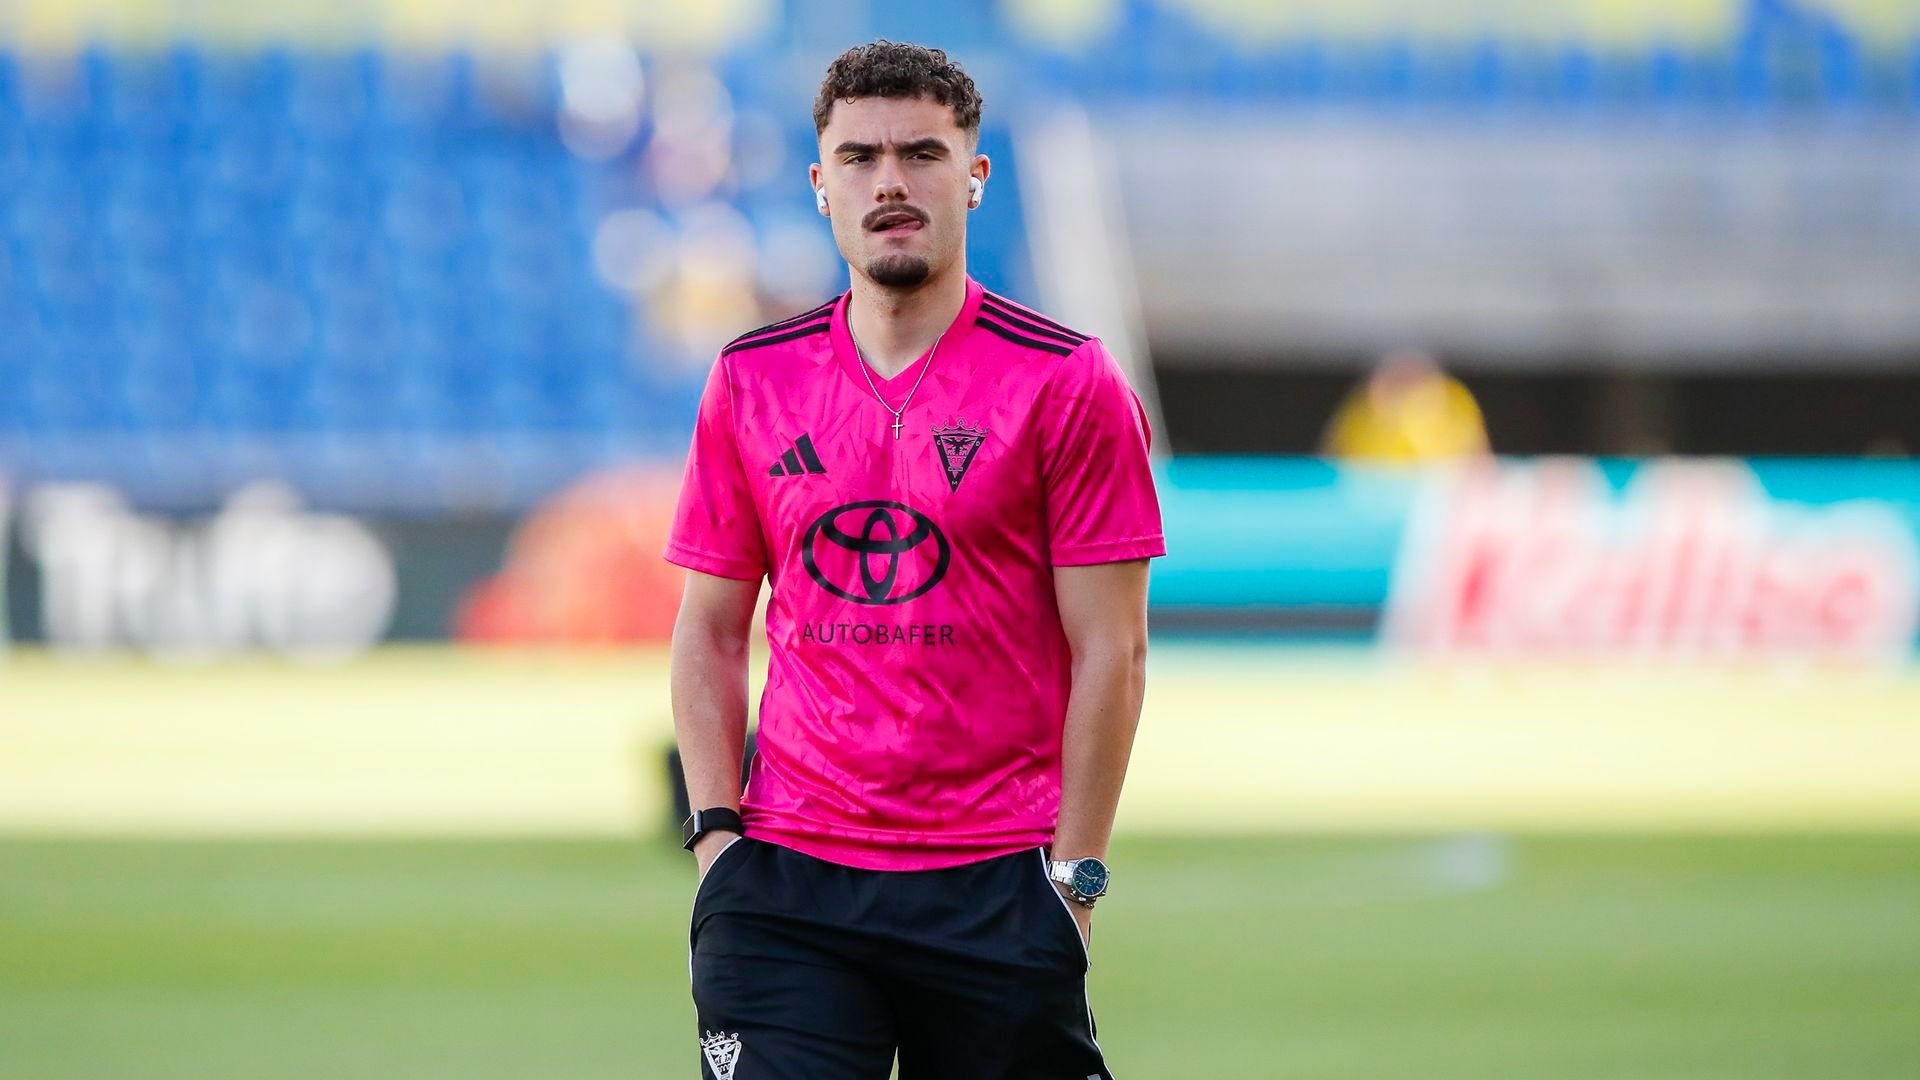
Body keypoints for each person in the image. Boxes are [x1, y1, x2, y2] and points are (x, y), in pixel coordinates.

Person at [665, 39, 1164, 1080]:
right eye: (859, 158)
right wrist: (716, 839)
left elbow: (1113, 650)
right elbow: (709, 628)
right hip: (787, 885)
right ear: (820, 185)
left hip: (994, 884)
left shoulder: (1066, 382)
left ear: (974, 178)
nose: (890, 180)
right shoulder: (752, 381)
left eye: (922, 153)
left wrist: (1075, 878)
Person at [1322, 347, 1490, 463]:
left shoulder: (1454, 403)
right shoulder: (1360, 410)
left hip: (1435, 499)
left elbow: (1478, 449)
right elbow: (1332, 451)